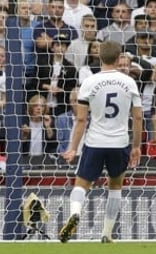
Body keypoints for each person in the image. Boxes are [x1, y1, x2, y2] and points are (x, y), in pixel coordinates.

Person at [59, 40, 143, 243]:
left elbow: (81, 120)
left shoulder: (89, 82)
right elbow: (139, 117)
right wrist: (136, 146)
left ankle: (76, 213)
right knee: (115, 187)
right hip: (120, 143)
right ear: (118, 58)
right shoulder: (129, 82)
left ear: (99, 57)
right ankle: (106, 233)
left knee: (81, 185)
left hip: (95, 142)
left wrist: (72, 148)